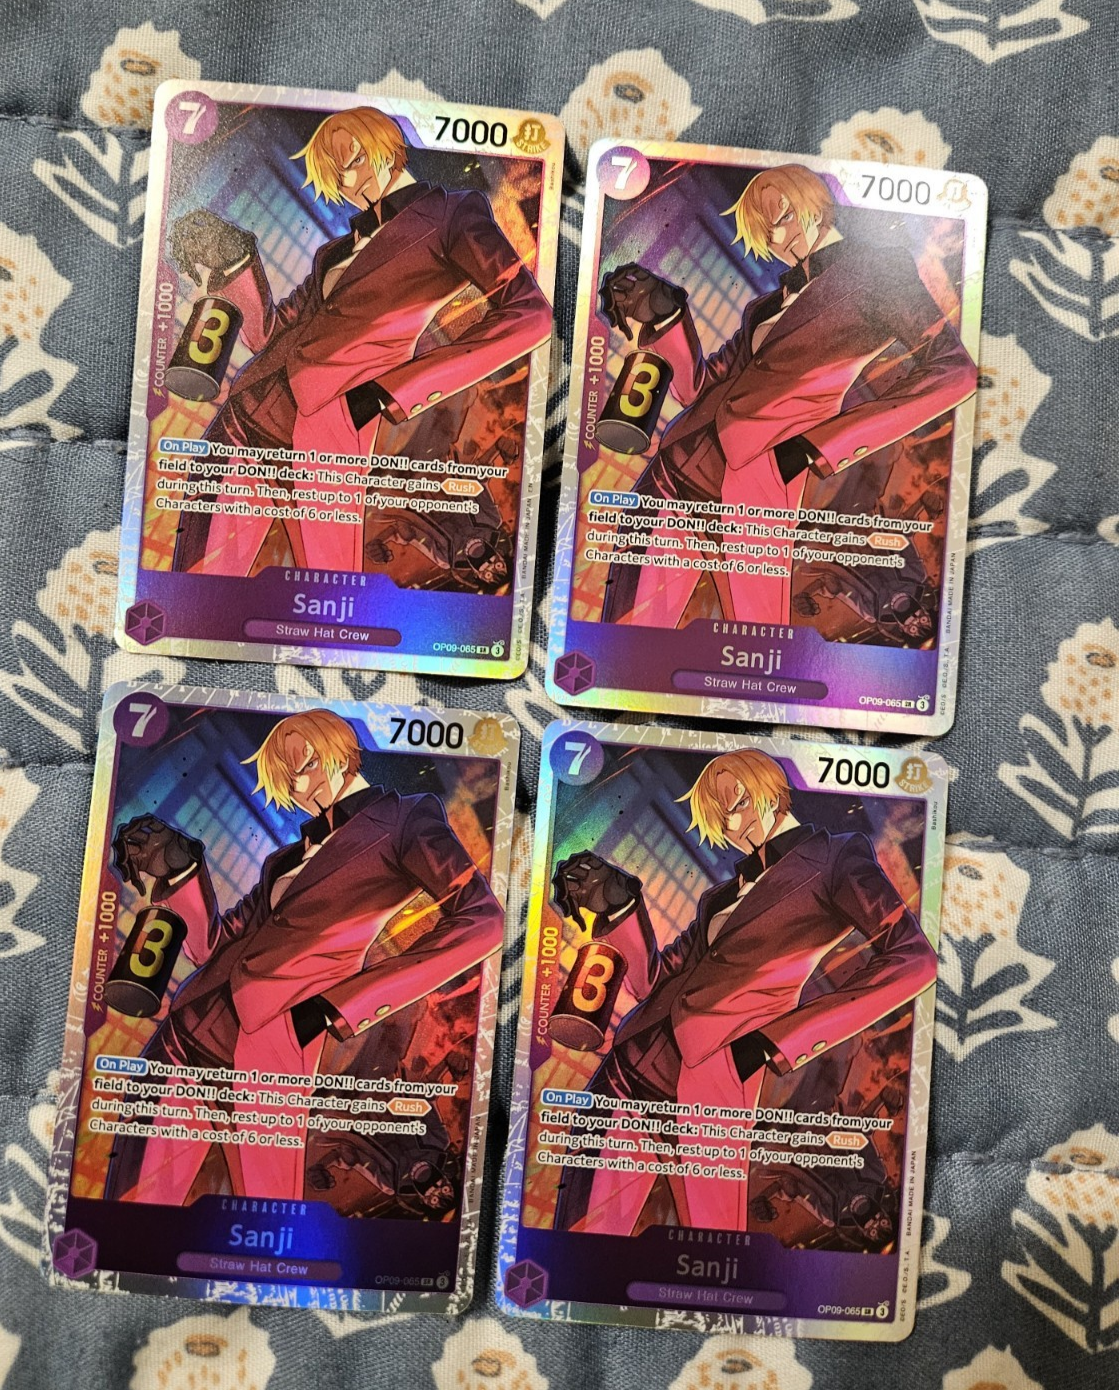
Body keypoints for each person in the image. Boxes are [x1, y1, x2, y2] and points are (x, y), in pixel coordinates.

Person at [103, 708, 503, 1204]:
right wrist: (180, 867)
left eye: (307, 764)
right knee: (130, 1206)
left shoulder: (405, 818)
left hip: (270, 1048)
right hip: (185, 1032)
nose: (298, 786)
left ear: (343, 753)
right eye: (286, 779)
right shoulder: (283, 860)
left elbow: (484, 920)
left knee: (266, 1213)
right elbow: (212, 944)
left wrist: (339, 1006)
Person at [549, 748, 937, 1235]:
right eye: (721, 817)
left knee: (712, 1249)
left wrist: (776, 1042)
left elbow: (914, 959)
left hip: (709, 1088)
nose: (732, 824)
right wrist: (619, 903)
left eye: (737, 803)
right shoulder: (719, 897)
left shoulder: (836, 857)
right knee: (578, 1241)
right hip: (625, 1074)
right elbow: (653, 980)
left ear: (771, 790)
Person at [169, 105, 552, 575]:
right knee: (194, 585)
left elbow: (531, 316)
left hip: (326, 432)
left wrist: (391, 391)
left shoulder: (453, 214)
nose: (349, 183)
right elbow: (267, 333)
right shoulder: (333, 251)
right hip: (242, 421)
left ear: (386, 146)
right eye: (336, 175)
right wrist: (233, 258)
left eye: (352, 161)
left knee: (328, 594)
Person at [597, 163, 977, 628]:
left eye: (782, 218)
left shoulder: (879, 272)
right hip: (672, 472)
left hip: (754, 488)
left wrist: (817, 447)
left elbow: (955, 372)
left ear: (813, 201)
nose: (777, 239)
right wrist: (663, 312)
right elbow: (696, 387)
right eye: (765, 231)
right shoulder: (763, 307)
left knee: (754, 644)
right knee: (623, 636)